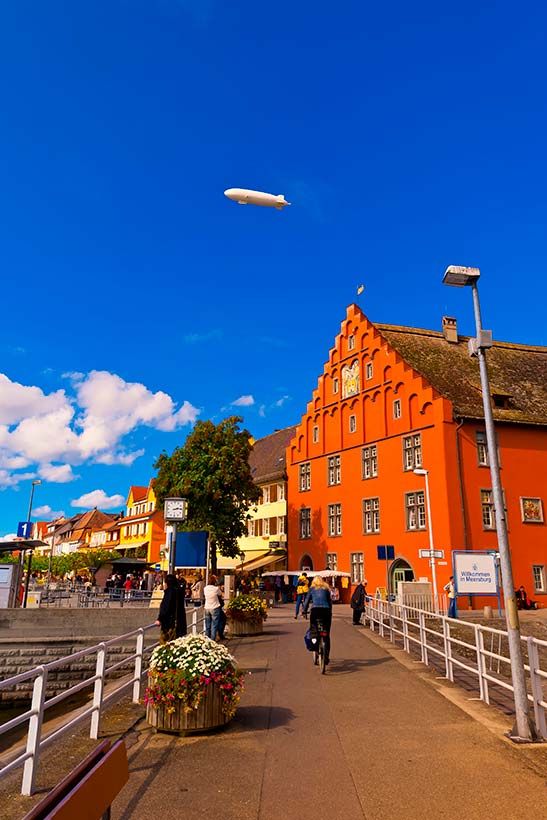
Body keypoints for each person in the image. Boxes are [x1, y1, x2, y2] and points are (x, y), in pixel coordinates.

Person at [303, 575, 333, 664]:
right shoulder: (326, 589)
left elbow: (307, 601)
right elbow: (329, 602)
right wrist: (330, 612)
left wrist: (304, 611)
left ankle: (315, 646)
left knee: (314, 631)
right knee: (326, 634)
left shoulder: (312, 589)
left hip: (315, 611)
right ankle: (326, 657)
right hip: (326, 611)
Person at [155, 574, 187, 642]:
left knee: (166, 644)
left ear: (167, 583)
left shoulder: (170, 592)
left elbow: (166, 607)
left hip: (169, 624)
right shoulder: (179, 591)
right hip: (180, 623)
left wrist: (160, 619)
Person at [203, 575, 223, 639]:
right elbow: (220, 594)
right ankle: (212, 640)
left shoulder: (205, 588)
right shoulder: (216, 588)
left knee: (207, 625)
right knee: (214, 625)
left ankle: (207, 640)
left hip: (207, 607)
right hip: (215, 607)